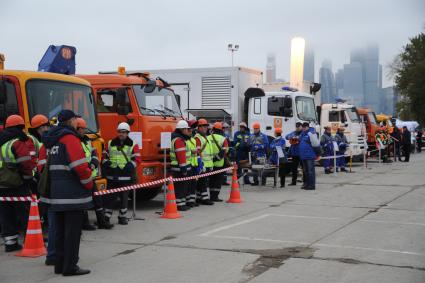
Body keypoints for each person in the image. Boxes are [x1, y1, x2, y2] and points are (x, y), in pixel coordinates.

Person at [42, 110, 92, 276]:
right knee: (72, 233)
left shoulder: (51, 140)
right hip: (72, 195)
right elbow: (79, 166)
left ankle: (59, 265)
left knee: (60, 231)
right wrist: (89, 184)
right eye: (75, 120)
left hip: (56, 194)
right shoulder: (69, 138)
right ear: (71, 120)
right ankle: (70, 267)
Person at [0, 115, 35, 252]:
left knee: (6, 214)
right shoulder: (16, 142)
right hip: (17, 184)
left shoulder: (1, 141)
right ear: (20, 127)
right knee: (25, 213)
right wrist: (28, 178)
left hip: (2, 185)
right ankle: (31, 241)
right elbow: (26, 163)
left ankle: (10, 243)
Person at [76, 118, 113, 230]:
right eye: (82, 129)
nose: (84, 131)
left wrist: (93, 164)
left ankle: (102, 222)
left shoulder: (87, 140)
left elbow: (94, 154)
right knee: (84, 201)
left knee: (97, 199)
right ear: (77, 129)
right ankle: (85, 223)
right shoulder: (74, 141)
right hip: (81, 177)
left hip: (90, 176)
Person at [102, 122, 141, 225]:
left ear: (128, 133)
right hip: (112, 175)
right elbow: (104, 155)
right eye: (119, 132)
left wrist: (130, 165)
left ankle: (122, 216)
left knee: (124, 198)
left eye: (124, 132)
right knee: (110, 197)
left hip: (125, 176)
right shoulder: (110, 143)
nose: (121, 134)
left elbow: (137, 159)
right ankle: (106, 217)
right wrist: (106, 163)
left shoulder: (133, 144)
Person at [170, 120, 192, 210]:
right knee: (181, 187)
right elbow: (181, 155)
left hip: (177, 168)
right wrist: (184, 169)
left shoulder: (177, 138)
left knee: (181, 187)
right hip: (180, 169)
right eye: (187, 129)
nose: (188, 131)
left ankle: (181, 203)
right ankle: (180, 205)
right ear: (183, 130)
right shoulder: (179, 140)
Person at [194, 119, 214, 205]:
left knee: (203, 182)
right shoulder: (198, 138)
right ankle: (205, 199)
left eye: (206, 126)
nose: (205, 128)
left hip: (208, 164)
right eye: (203, 126)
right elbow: (198, 152)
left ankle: (199, 198)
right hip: (203, 164)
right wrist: (201, 164)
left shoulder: (205, 137)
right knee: (203, 183)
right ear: (199, 127)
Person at [208, 122, 229, 201]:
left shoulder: (208, 137)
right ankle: (215, 196)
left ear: (213, 129)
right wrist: (217, 158)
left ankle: (211, 196)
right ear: (221, 130)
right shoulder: (223, 139)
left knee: (211, 180)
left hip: (209, 163)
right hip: (219, 163)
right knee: (218, 181)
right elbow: (225, 151)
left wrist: (212, 159)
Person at [299, 122, 320, 190]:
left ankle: (312, 185)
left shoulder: (311, 133)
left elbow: (316, 144)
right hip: (304, 155)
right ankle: (307, 184)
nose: (304, 128)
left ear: (308, 127)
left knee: (310, 171)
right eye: (303, 127)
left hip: (309, 155)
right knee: (305, 171)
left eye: (305, 127)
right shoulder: (302, 134)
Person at [186, 120, 200, 208]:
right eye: (191, 129)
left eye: (193, 129)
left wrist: (199, 163)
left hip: (194, 165)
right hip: (189, 165)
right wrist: (193, 151)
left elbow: (196, 152)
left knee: (193, 184)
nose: (193, 131)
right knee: (188, 184)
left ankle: (192, 201)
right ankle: (188, 201)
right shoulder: (185, 140)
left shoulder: (193, 140)